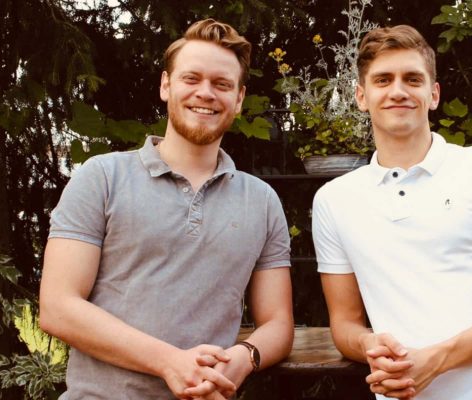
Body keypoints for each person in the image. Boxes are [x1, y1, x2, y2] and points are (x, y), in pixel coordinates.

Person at [39, 19, 293, 400]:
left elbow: (278, 323)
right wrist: (169, 362)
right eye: (192, 78)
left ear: (239, 99)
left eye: (222, 84)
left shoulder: (262, 201)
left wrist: (244, 357)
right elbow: (58, 307)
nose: (205, 93)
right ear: (166, 85)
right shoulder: (102, 177)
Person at [312, 24, 472, 400]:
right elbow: (345, 323)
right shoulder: (334, 200)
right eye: (383, 80)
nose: (398, 91)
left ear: (434, 94)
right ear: (362, 96)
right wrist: (368, 345)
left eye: (412, 79)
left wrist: (437, 359)